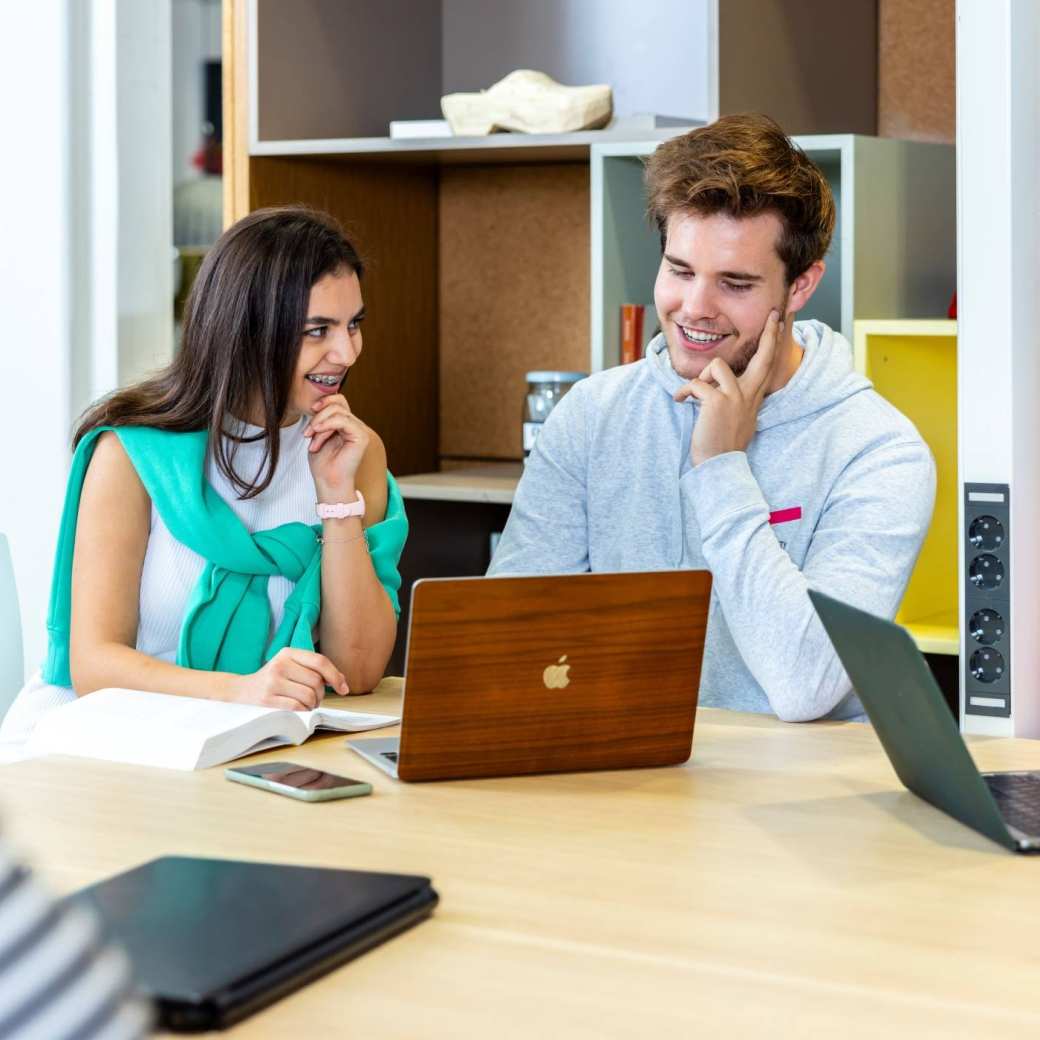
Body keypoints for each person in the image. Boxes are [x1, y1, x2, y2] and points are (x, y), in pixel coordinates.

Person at [489, 114, 935, 723]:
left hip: (794, 802)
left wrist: (721, 468)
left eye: (735, 283)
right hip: (622, 776)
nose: (694, 309)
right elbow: (503, 640)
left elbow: (806, 684)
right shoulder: (592, 415)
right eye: (680, 271)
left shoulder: (878, 451)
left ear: (801, 285)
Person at [0, 207, 407, 751]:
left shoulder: (355, 451)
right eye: (318, 330)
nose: (347, 351)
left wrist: (337, 501)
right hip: (101, 740)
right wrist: (238, 692)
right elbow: (94, 664)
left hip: (247, 741)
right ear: (248, 330)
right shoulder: (131, 454)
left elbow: (356, 673)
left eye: (353, 324)